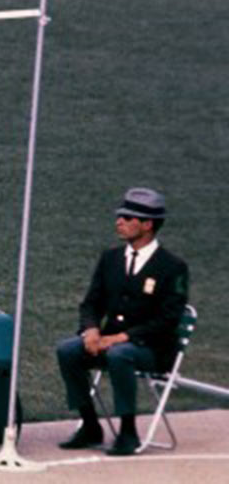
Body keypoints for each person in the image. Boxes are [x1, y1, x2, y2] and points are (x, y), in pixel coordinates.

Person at [55, 187, 189, 456]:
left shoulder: (173, 267)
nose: (119, 221)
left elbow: (168, 319)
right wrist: (91, 330)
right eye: (120, 216)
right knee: (67, 350)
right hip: (108, 342)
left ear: (147, 225)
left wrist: (119, 338)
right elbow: (91, 302)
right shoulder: (110, 259)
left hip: (151, 349)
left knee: (119, 354)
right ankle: (90, 425)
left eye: (128, 218)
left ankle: (128, 432)